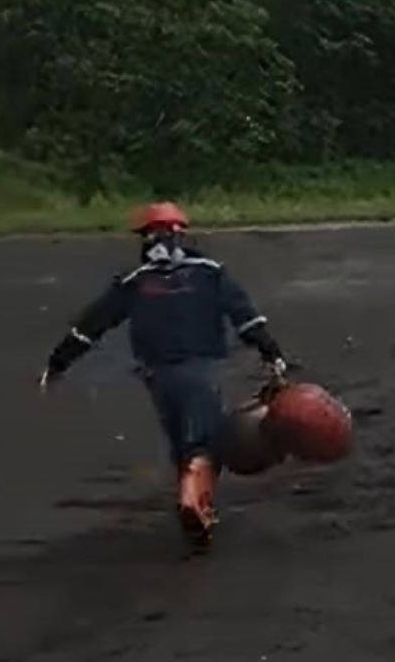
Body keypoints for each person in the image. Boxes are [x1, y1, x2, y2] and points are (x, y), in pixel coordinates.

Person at [37, 202, 287, 550]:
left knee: (181, 440)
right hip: (203, 370)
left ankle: (197, 500)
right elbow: (246, 317)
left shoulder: (134, 282)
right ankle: (195, 502)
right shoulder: (211, 272)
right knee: (205, 441)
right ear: (181, 234)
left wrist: (58, 363)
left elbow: (91, 326)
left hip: (159, 376)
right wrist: (271, 353)